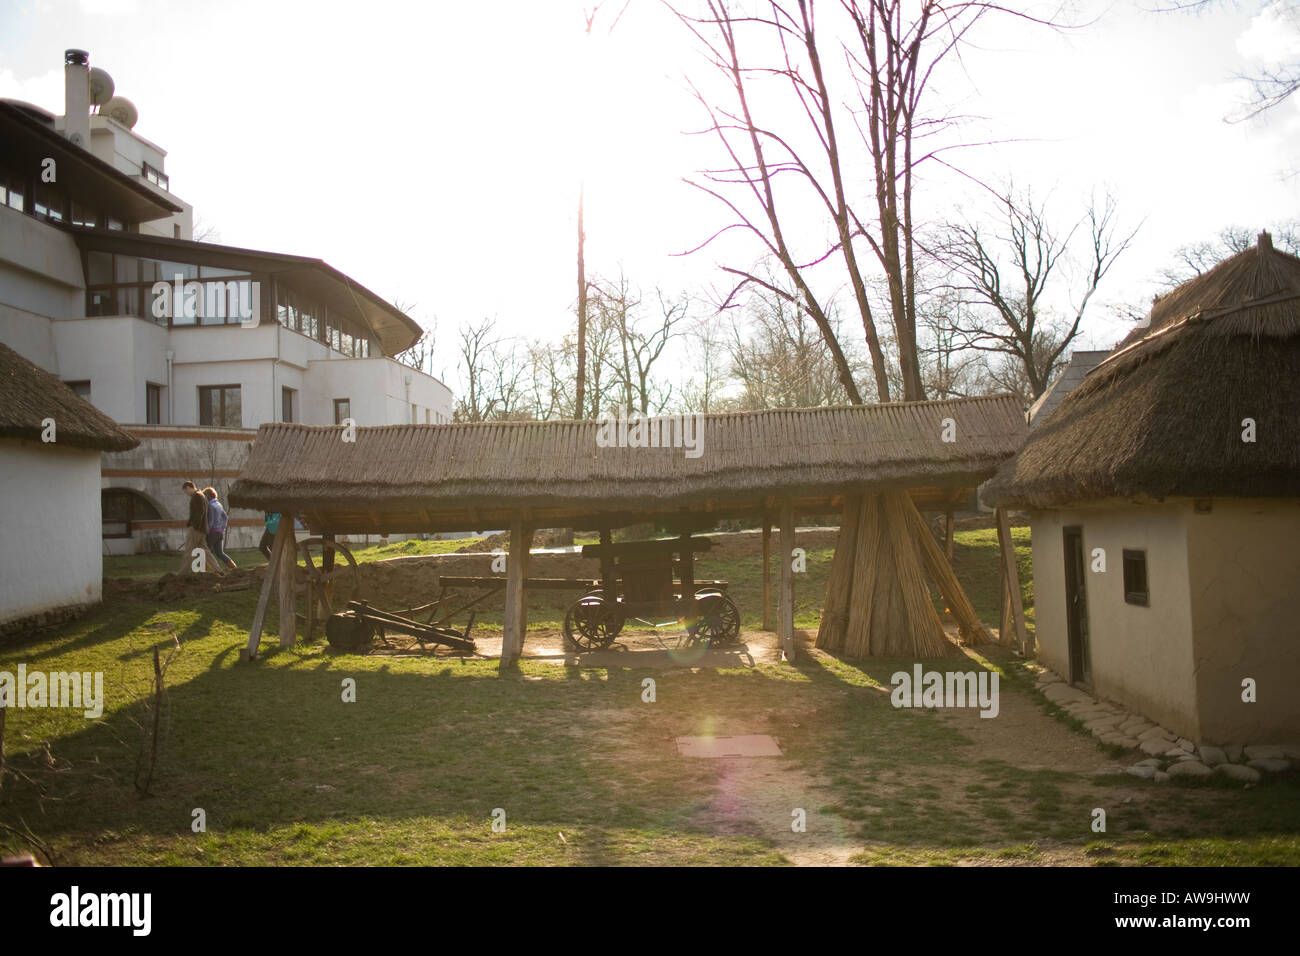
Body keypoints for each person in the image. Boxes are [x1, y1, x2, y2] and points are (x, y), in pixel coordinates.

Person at [178, 480, 221, 574]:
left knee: (189, 550)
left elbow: (199, 513)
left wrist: (194, 525)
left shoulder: (197, 496)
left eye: (185, 491)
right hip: (202, 529)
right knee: (205, 551)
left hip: (197, 529)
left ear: (189, 488)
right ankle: (218, 569)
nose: (186, 493)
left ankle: (182, 573)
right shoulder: (201, 495)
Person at [203, 487, 237, 571]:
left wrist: (206, 531)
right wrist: (222, 528)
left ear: (207, 496)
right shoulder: (218, 504)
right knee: (219, 553)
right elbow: (225, 517)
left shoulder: (210, 506)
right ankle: (235, 568)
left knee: (206, 552)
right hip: (220, 533)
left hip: (212, 533)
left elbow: (211, 521)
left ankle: (204, 571)